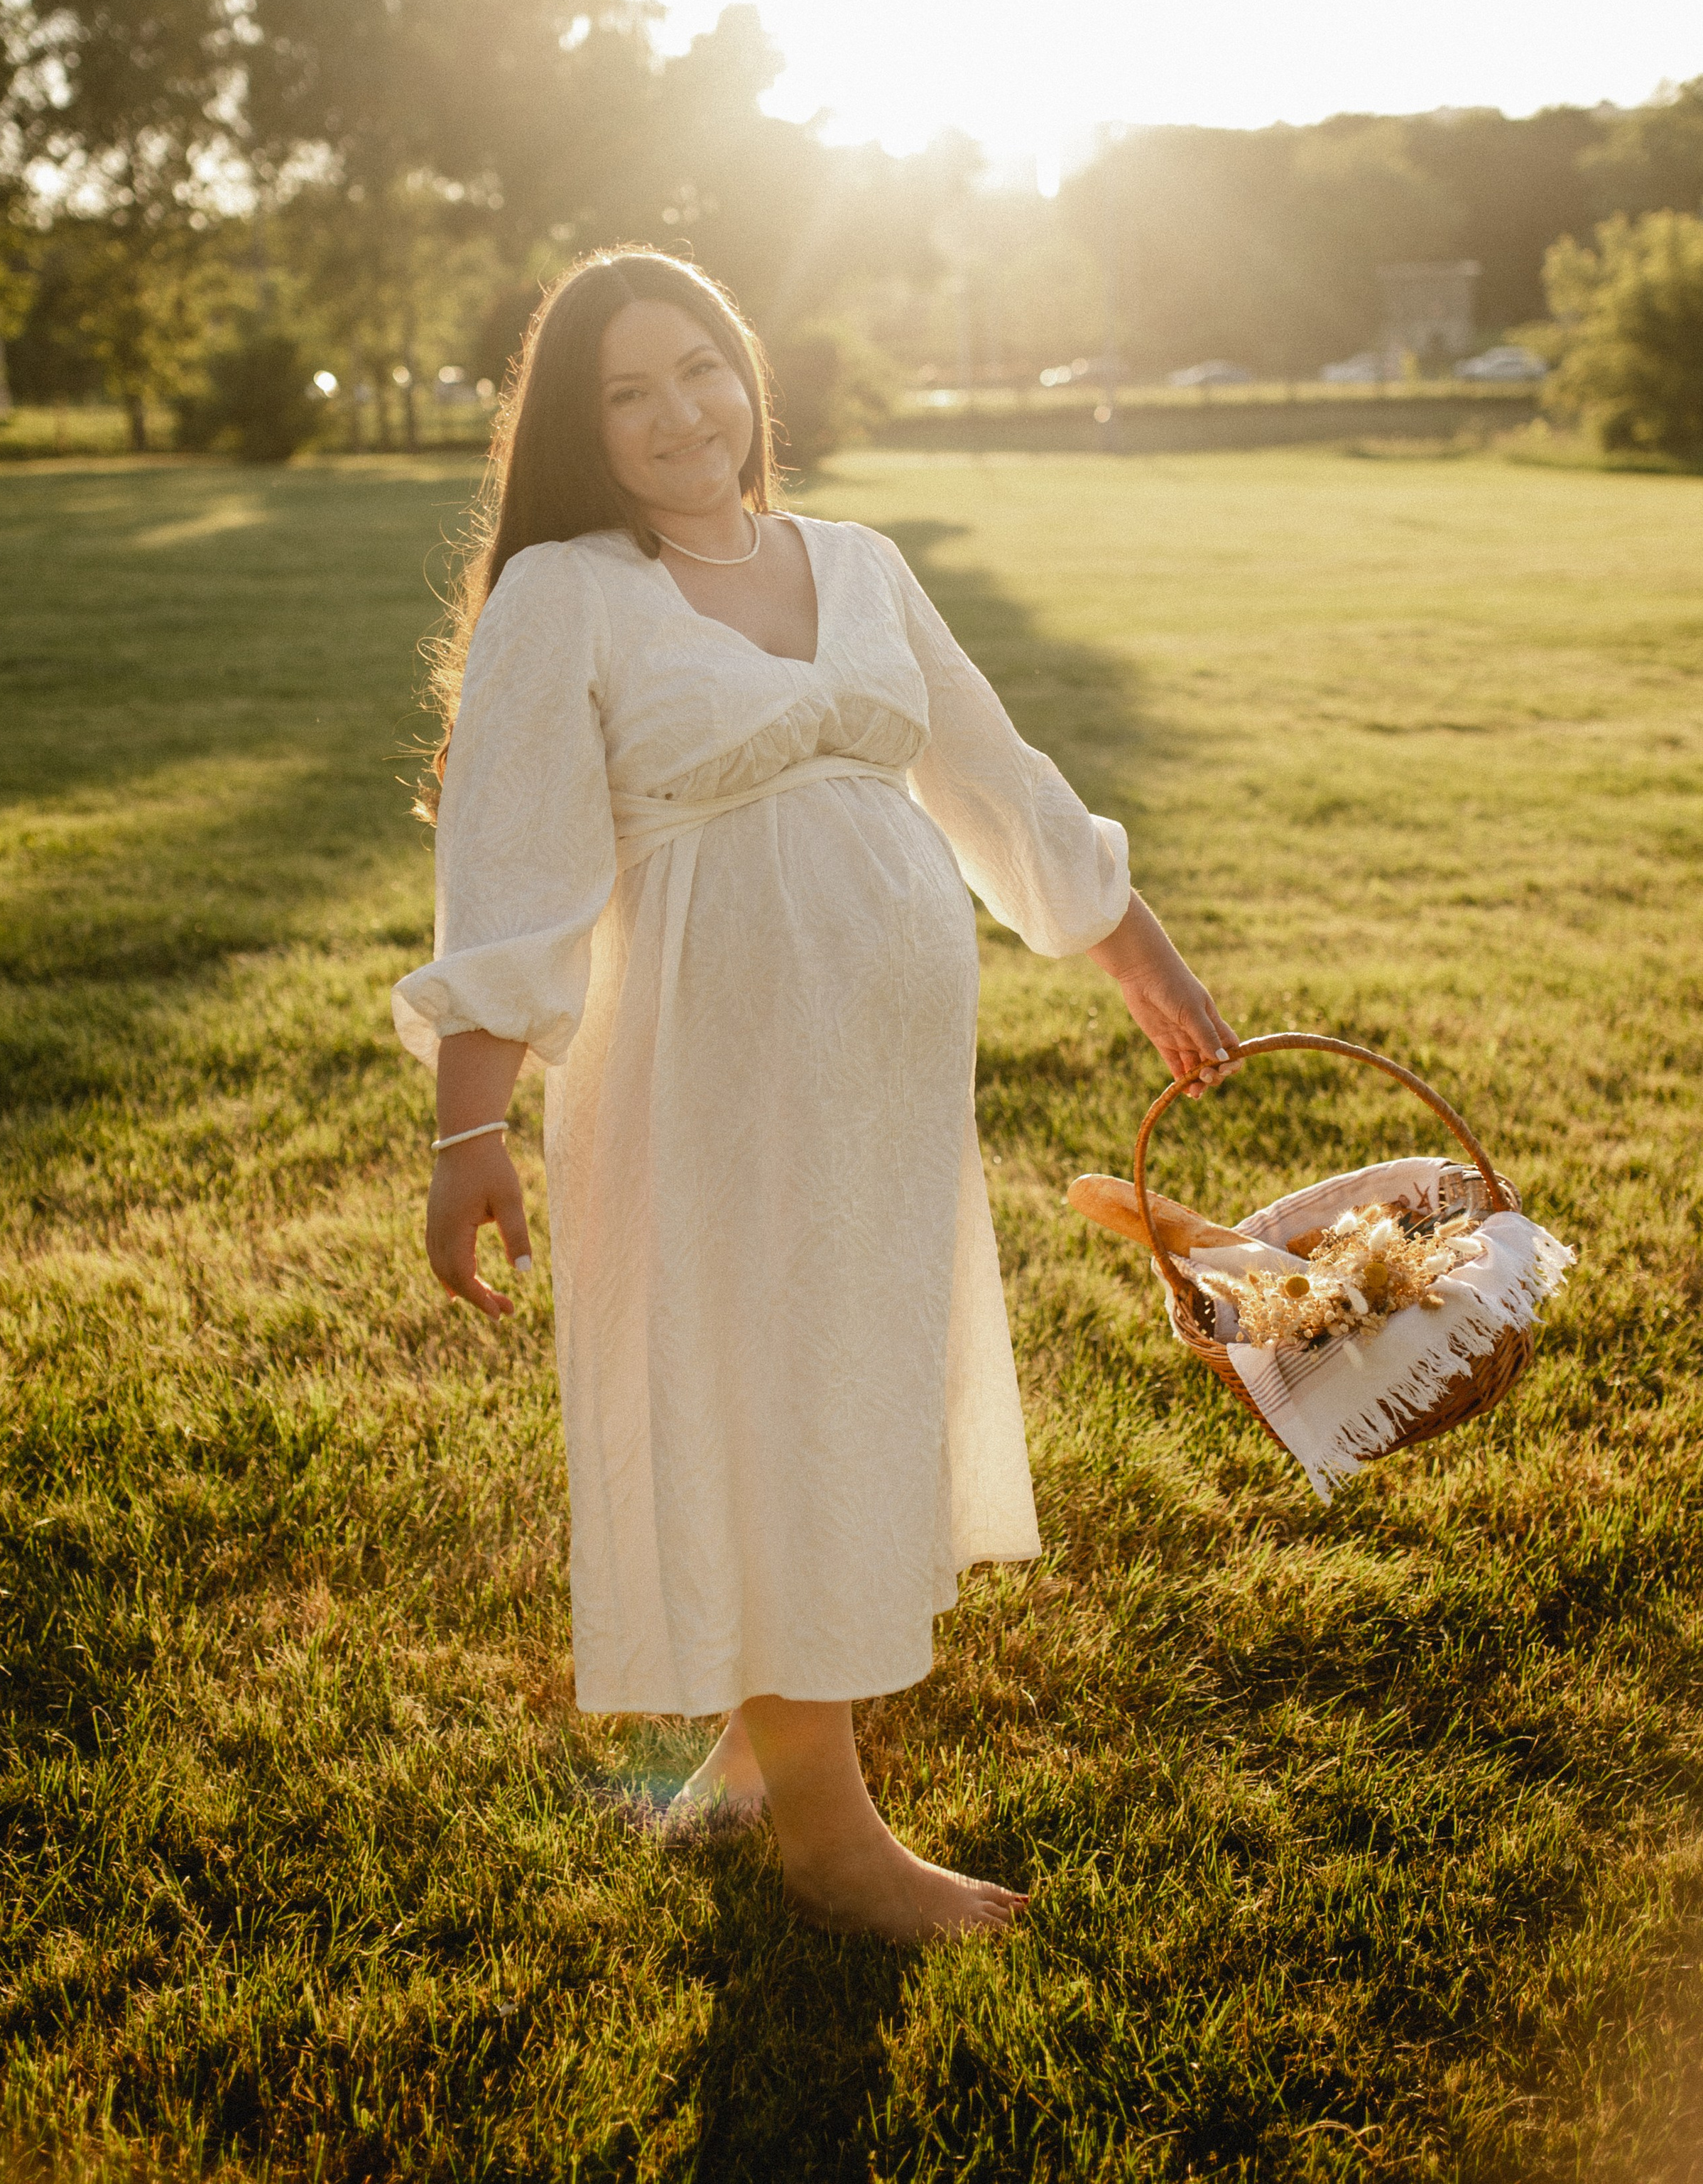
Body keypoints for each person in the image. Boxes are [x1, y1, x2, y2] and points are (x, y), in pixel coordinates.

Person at [393, 249, 1241, 1944]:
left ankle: (747, 1756)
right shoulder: (566, 590)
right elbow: (509, 871)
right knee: (756, 1383)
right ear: (577, 426)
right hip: (702, 1071)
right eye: (622, 393)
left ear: (745, 373)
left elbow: (986, 769)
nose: (674, 414)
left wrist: (1125, 939)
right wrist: (468, 1127)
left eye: (695, 367)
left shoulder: (853, 564)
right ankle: (831, 1835)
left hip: (877, 1085)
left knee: (835, 1381)